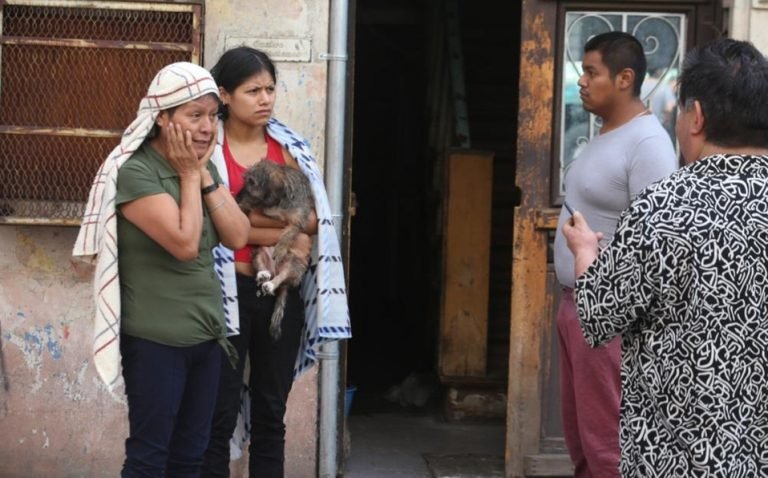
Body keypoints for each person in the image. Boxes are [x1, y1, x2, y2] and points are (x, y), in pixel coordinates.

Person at [563, 38, 768, 476]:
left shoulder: (665, 206)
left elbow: (599, 317)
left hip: (674, 458)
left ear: (696, 118)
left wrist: (585, 251)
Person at [72, 62, 251, 476]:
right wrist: (190, 174)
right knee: (150, 457)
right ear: (163, 119)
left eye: (212, 115)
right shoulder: (136, 172)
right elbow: (186, 244)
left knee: (191, 456)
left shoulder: (204, 167)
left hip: (207, 338)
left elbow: (238, 235)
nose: (208, 126)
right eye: (194, 115)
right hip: (156, 344)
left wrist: (202, 175)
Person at [200, 47, 351, 477]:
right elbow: (210, 228)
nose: (265, 99)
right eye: (253, 91)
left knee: (271, 413)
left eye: (270, 89)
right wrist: (275, 228)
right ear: (225, 95)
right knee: (217, 413)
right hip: (221, 297)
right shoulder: (207, 150)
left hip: (278, 293)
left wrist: (244, 222)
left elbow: (313, 223)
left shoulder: (289, 150)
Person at [552, 31, 678, 477]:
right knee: (582, 437)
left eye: (591, 72)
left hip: (609, 317)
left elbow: (658, 241)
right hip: (577, 305)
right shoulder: (607, 133)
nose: (582, 81)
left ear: (625, 78)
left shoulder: (648, 145)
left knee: (609, 442)